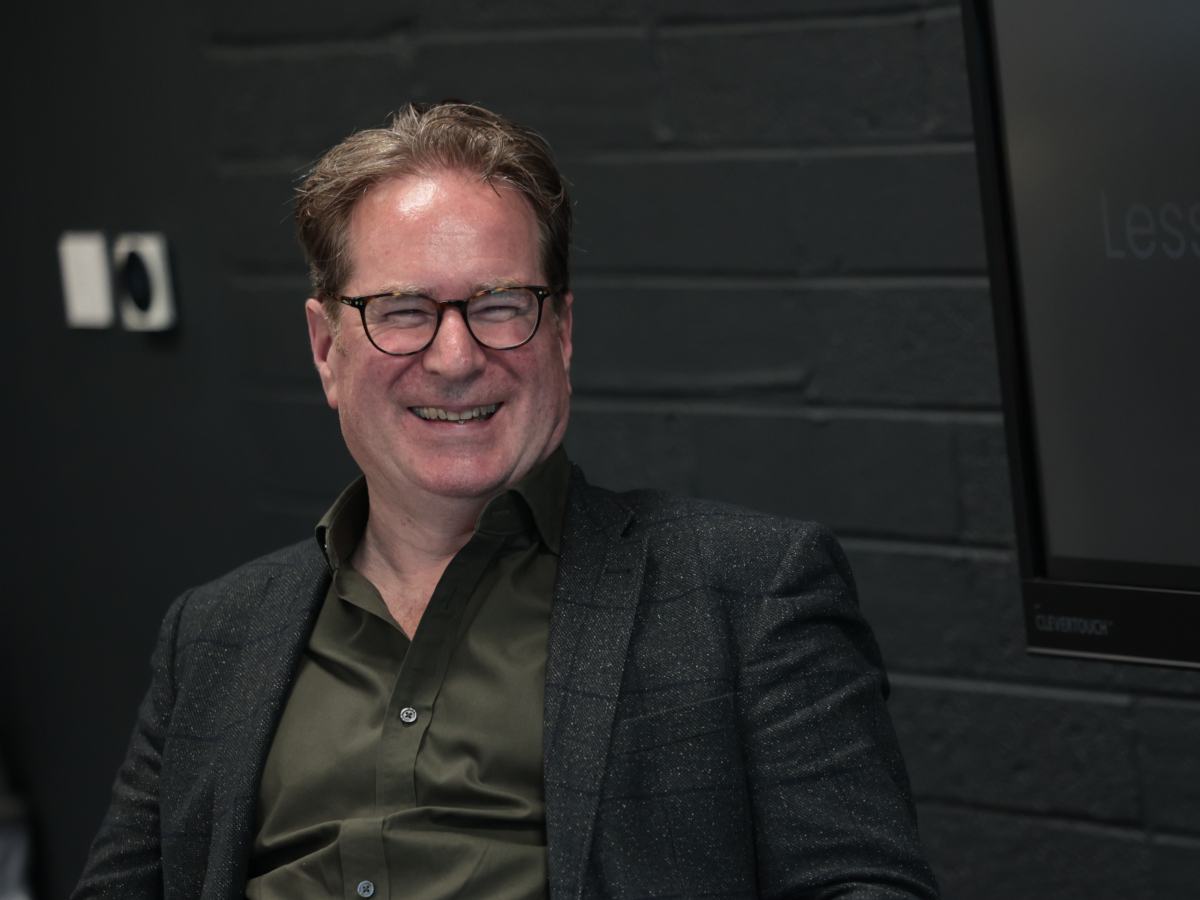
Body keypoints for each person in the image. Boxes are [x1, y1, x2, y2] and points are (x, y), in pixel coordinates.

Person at [73, 102, 939, 899]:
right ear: (325, 348)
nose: (454, 358)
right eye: (403, 310)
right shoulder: (213, 634)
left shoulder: (745, 591)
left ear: (561, 333)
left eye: (498, 304)